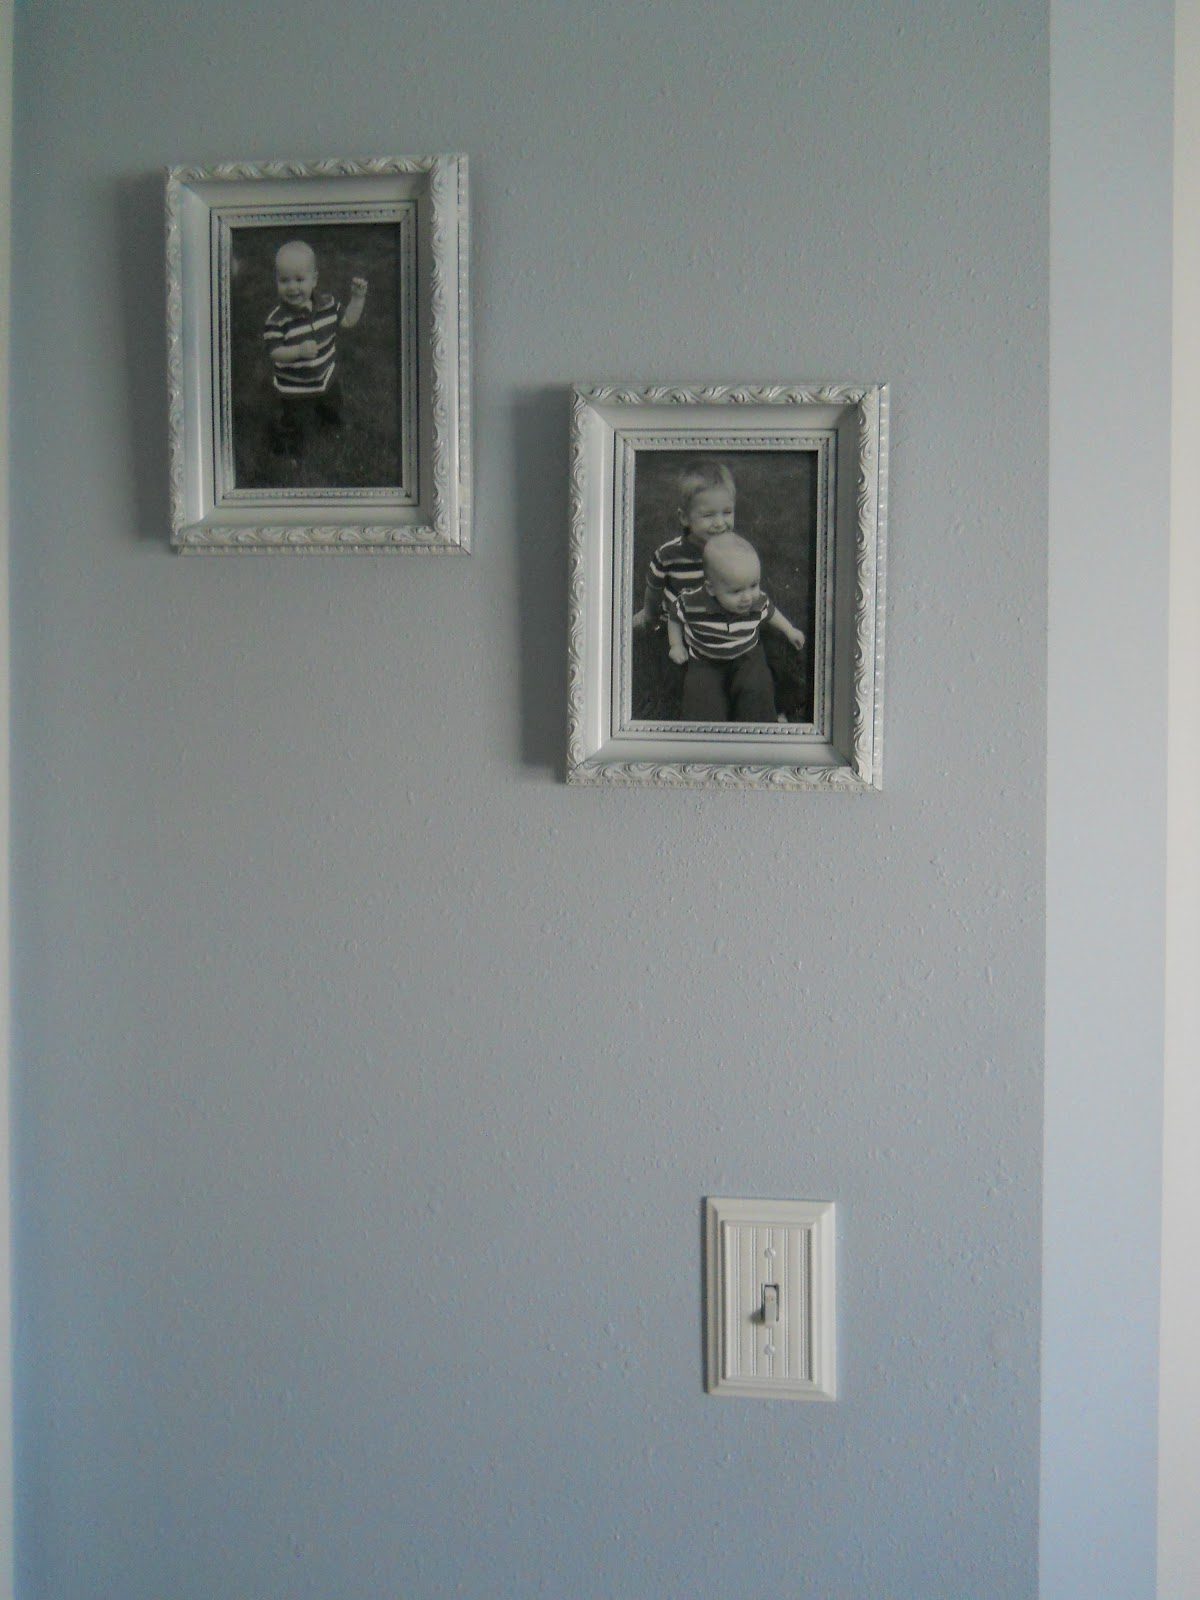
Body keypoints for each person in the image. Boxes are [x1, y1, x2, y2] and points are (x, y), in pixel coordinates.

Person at [667, 533, 806, 721]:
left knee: (756, 689)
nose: (747, 597)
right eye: (736, 591)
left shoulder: (756, 602)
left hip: (747, 654)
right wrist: (676, 644)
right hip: (705, 659)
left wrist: (790, 630)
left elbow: (771, 612)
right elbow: (675, 616)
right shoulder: (692, 603)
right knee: (702, 703)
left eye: (753, 585)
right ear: (711, 588)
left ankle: (761, 723)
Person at [262, 240, 368, 456]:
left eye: (299, 279)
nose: (292, 287)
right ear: (276, 281)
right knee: (293, 421)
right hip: (295, 387)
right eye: (284, 280)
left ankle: (331, 422)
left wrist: (357, 299)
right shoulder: (277, 320)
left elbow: (348, 321)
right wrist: (297, 352)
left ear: (314, 279)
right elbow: (275, 353)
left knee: (332, 405)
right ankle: (287, 448)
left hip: (326, 376)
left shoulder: (328, 305)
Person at [632, 459, 737, 633]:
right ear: (685, 518)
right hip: (676, 623)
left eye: (727, 512)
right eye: (708, 515)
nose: (720, 523)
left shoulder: (737, 552)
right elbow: (654, 590)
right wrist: (650, 617)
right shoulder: (668, 555)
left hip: (717, 624)